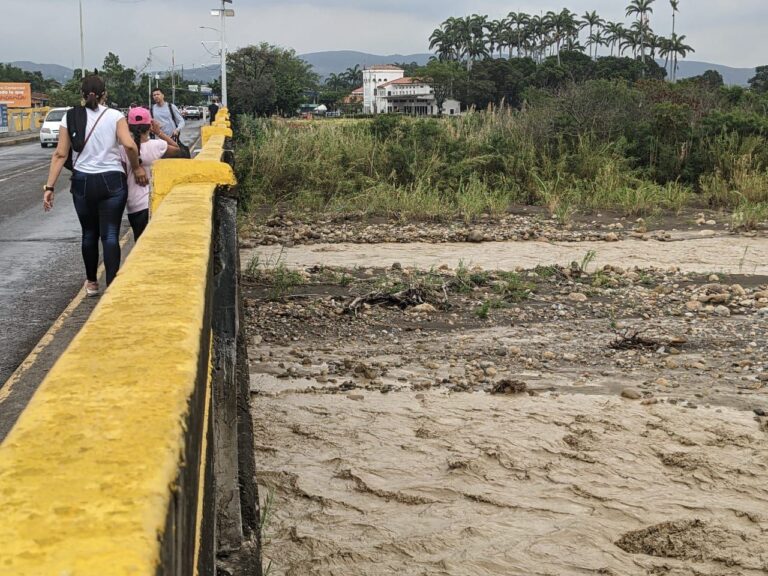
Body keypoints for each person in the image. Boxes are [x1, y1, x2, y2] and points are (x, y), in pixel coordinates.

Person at [43, 74, 147, 296]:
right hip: (112, 181)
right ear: (104, 95)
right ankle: (112, 285)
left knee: (88, 233)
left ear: (81, 94)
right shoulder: (115, 116)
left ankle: (91, 283)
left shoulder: (69, 118)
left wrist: (50, 187)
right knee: (110, 234)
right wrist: (137, 168)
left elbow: (60, 154)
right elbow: (129, 145)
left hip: (82, 182)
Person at [120, 107, 181, 241]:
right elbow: (178, 150)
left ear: (128, 126)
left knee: (140, 243)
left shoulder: (122, 150)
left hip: (134, 204)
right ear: (150, 126)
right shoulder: (157, 145)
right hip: (155, 202)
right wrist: (159, 133)